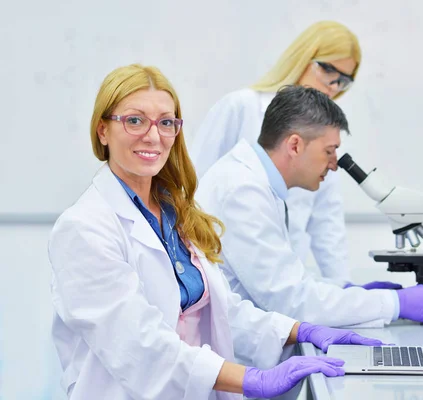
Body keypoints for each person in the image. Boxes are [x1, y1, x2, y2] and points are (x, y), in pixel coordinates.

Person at [47, 64, 387, 400]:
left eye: (166, 122)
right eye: (134, 120)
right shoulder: (85, 229)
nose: (153, 136)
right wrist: (252, 379)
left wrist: (298, 330)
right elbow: (139, 345)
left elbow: (219, 313)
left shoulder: (174, 212)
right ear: (102, 130)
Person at [196, 85, 423, 328]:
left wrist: (346, 292)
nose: (333, 164)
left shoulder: (256, 183)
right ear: (295, 145)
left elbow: (290, 282)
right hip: (240, 356)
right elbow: (292, 300)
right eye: (329, 151)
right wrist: (395, 303)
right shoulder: (243, 192)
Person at [190, 20, 400, 290]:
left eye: (343, 80)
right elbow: (192, 187)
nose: (333, 86)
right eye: (327, 70)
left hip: (286, 280)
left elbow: (327, 222)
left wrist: (345, 291)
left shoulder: (325, 135)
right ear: (304, 57)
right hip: (225, 273)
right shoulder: (242, 107)